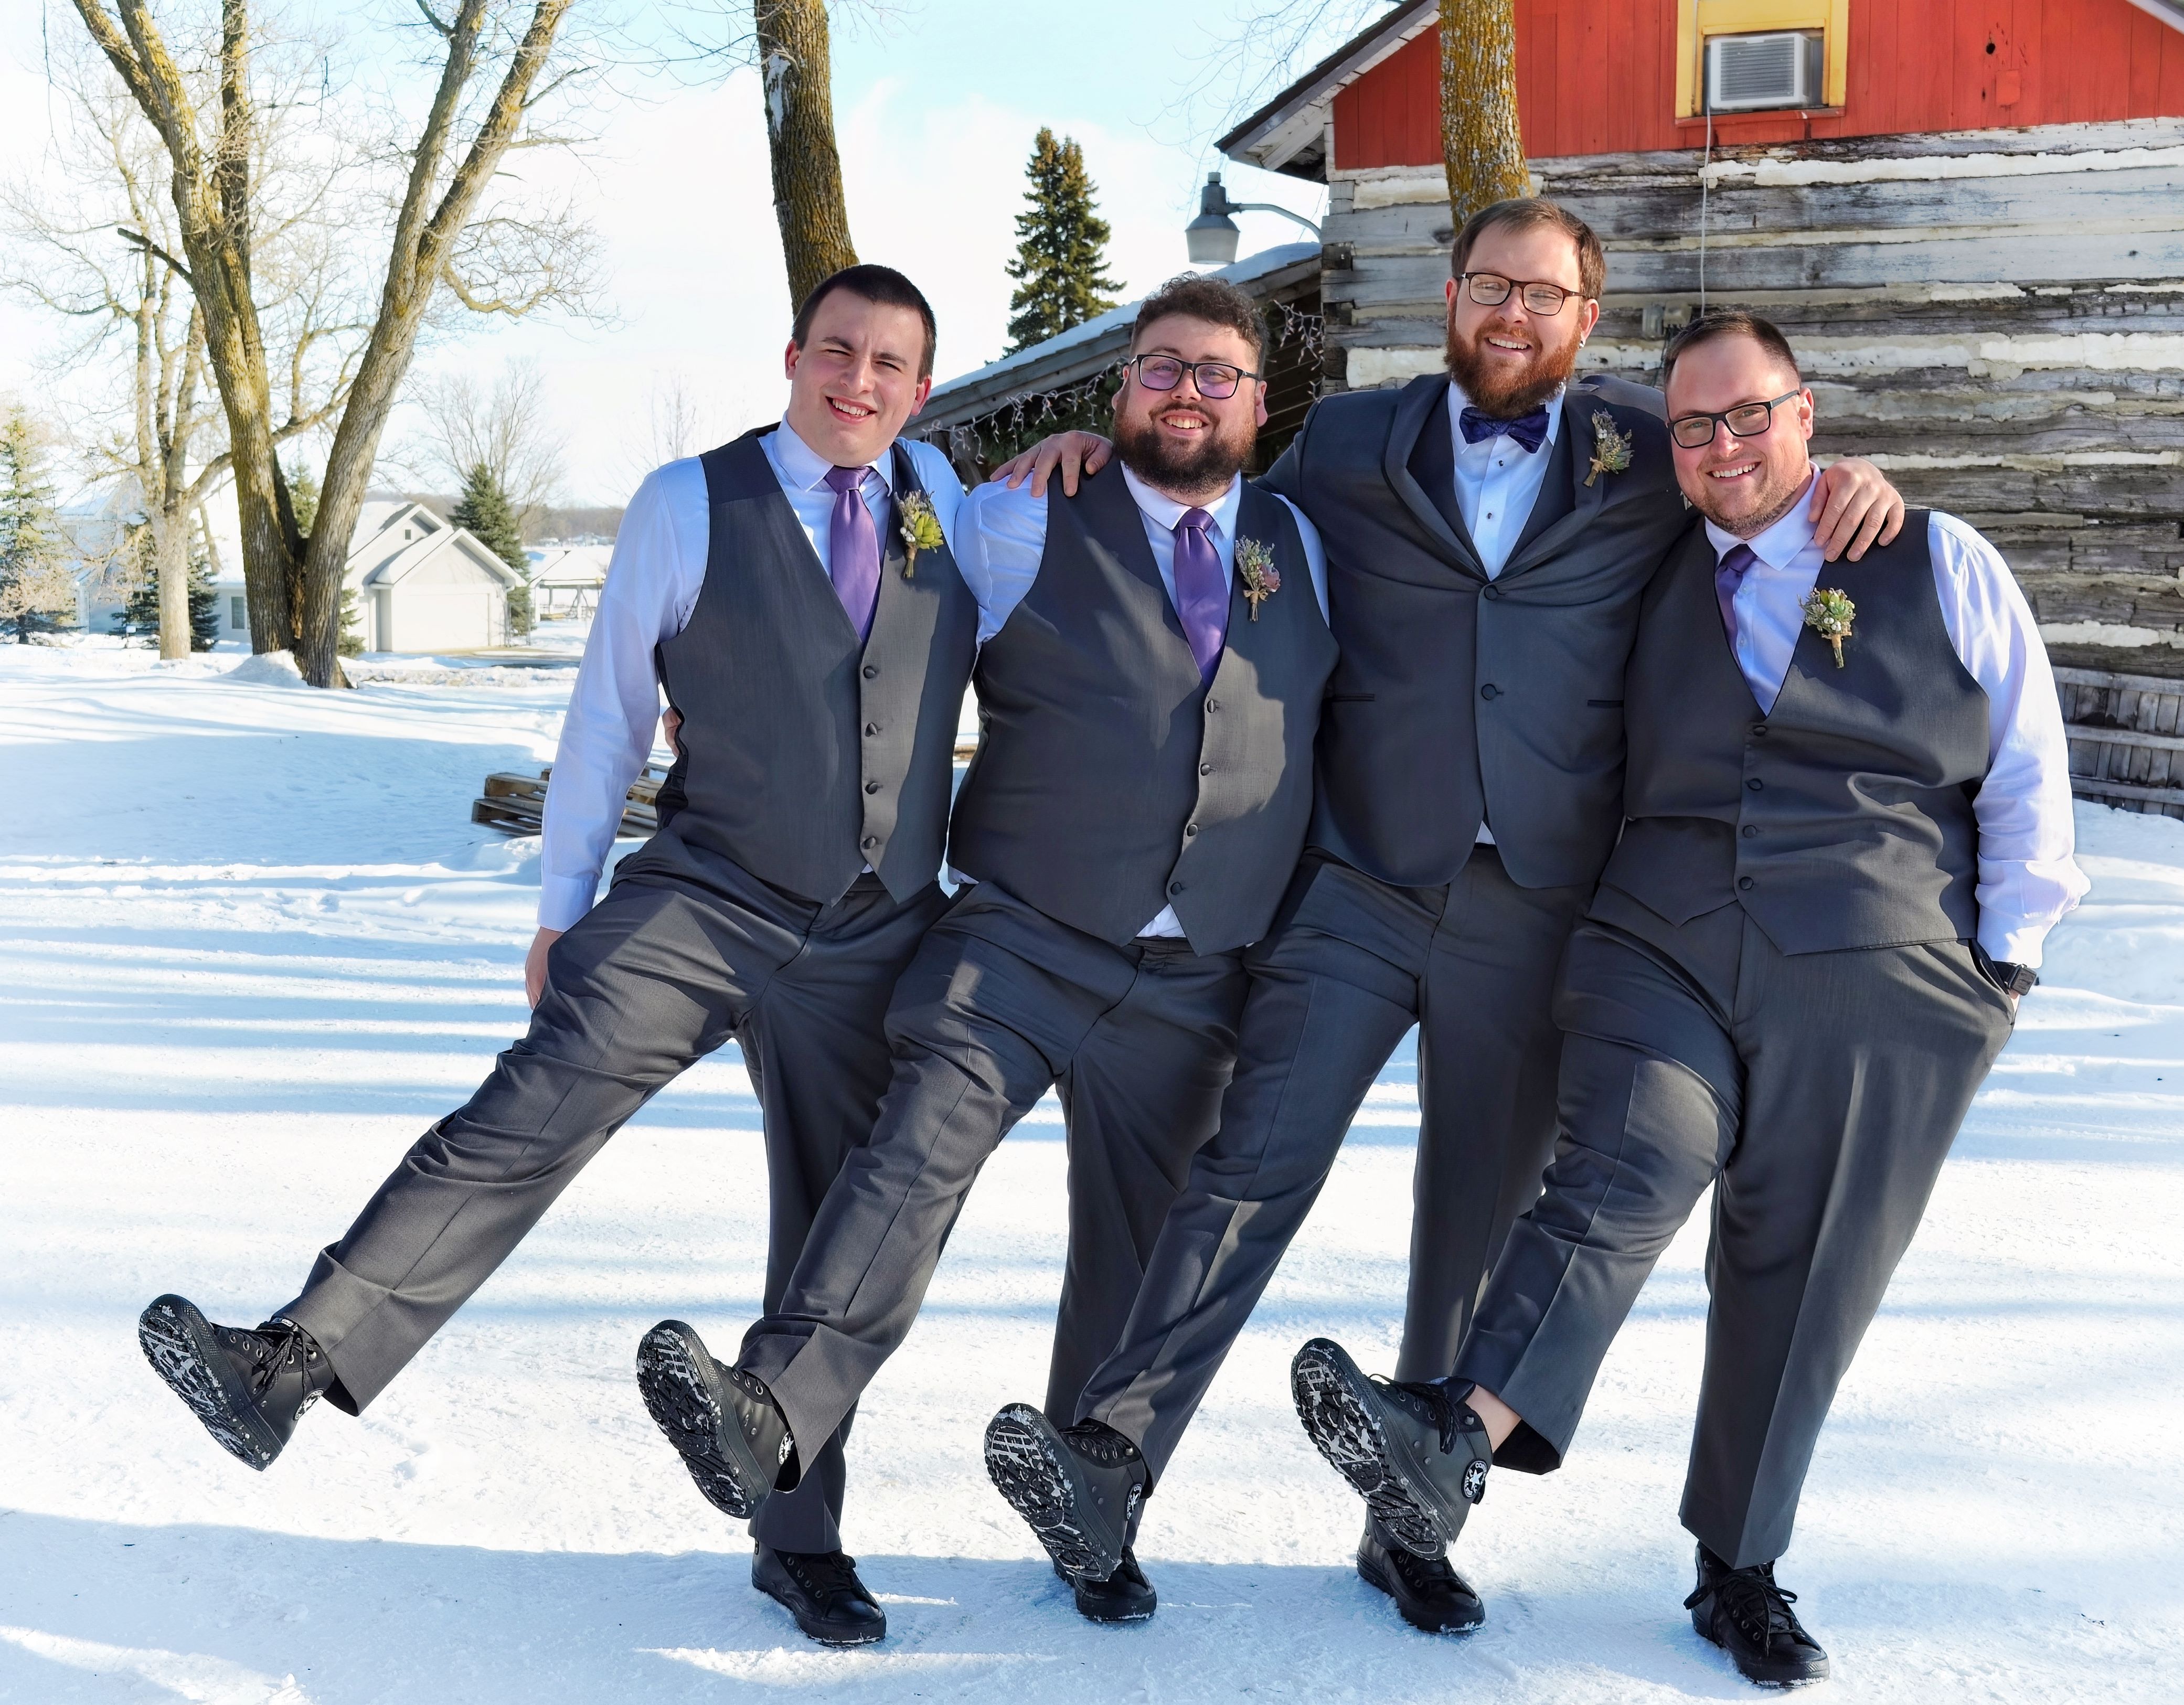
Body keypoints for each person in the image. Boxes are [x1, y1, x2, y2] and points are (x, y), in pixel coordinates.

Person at [982, 198, 1906, 1636]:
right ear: (1451, 297)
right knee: (1247, 1169)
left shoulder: (1642, 458)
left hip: (1535, 903)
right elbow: (1207, 500)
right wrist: (1098, 459)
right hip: (1357, 877)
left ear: (1585, 317)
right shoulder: (1349, 442)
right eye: (1487, 285)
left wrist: (1843, 473)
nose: (1510, 313)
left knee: (1473, 1215)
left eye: (1542, 293)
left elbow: (1753, 474)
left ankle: (1411, 1518)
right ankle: (1108, 1463)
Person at [138, 265, 979, 1648]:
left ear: (921, 388)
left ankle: (798, 1534)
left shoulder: (954, 506)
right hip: (707, 892)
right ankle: (289, 1363)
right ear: (791, 356)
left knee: (841, 1218)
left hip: (875, 925)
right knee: (526, 1112)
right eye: (838, 351)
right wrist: (562, 902)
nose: (860, 381)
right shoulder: (686, 502)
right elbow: (608, 709)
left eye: (891, 364)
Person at [1288, 310, 2085, 1686]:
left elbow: (2024, 766)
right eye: (1693, 427)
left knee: (1803, 1263)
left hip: (1877, 969)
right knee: (1618, 1163)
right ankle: (1454, 1436)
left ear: (1805, 412)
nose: (1721, 448)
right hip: (1658, 937)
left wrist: (1996, 972)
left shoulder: (1930, 555)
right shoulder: (1643, 564)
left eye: (1748, 415)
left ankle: (1738, 1569)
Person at [626, 274, 1336, 1627]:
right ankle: (770, 1425)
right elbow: (846, 589)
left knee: (1136, 1251)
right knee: (906, 1166)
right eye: (1160, 369)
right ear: (1119, 390)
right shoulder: (1012, 518)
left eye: (1217, 374)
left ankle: (1095, 1502)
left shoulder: (1306, 547)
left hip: (1197, 969)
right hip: (1016, 933)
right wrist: (707, 697)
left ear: (1257, 400)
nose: (1187, 393)